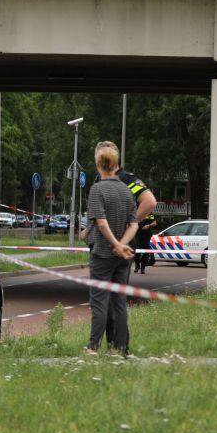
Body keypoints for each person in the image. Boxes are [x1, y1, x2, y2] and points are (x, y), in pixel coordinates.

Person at [83, 142, 138, 357]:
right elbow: (134, 223)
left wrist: (115, 245)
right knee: (119, 303)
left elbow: (102, 222)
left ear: (98, 166)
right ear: (116, 165)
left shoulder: (97, 190)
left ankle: (93, 347)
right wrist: (123, 245)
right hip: (123, 257)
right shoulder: (127, 191)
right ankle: (120, 348)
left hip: (102, 254)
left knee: (99, 301)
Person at [118, 168, 158, 274]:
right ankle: (137, 266)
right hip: (136, 234)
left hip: (143, 234)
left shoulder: (125, 178)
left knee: (143, 252)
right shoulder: (125, 178)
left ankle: (143, 268)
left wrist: (134, 224)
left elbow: (151, 205)